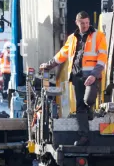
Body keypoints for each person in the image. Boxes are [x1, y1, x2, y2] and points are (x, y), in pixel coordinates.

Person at [39, 11, 107, 146]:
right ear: (77, 23)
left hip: (92, 76)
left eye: (87, 23)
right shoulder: (72, 38)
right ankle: (84, 136)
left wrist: (94, 75)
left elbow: (102, 57)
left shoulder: (98, 36)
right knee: (80, 107)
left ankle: (90, 111)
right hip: (77, 76)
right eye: (82, 23)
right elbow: (61, 55)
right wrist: (48, 65)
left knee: (88, 100)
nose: (86, 25)